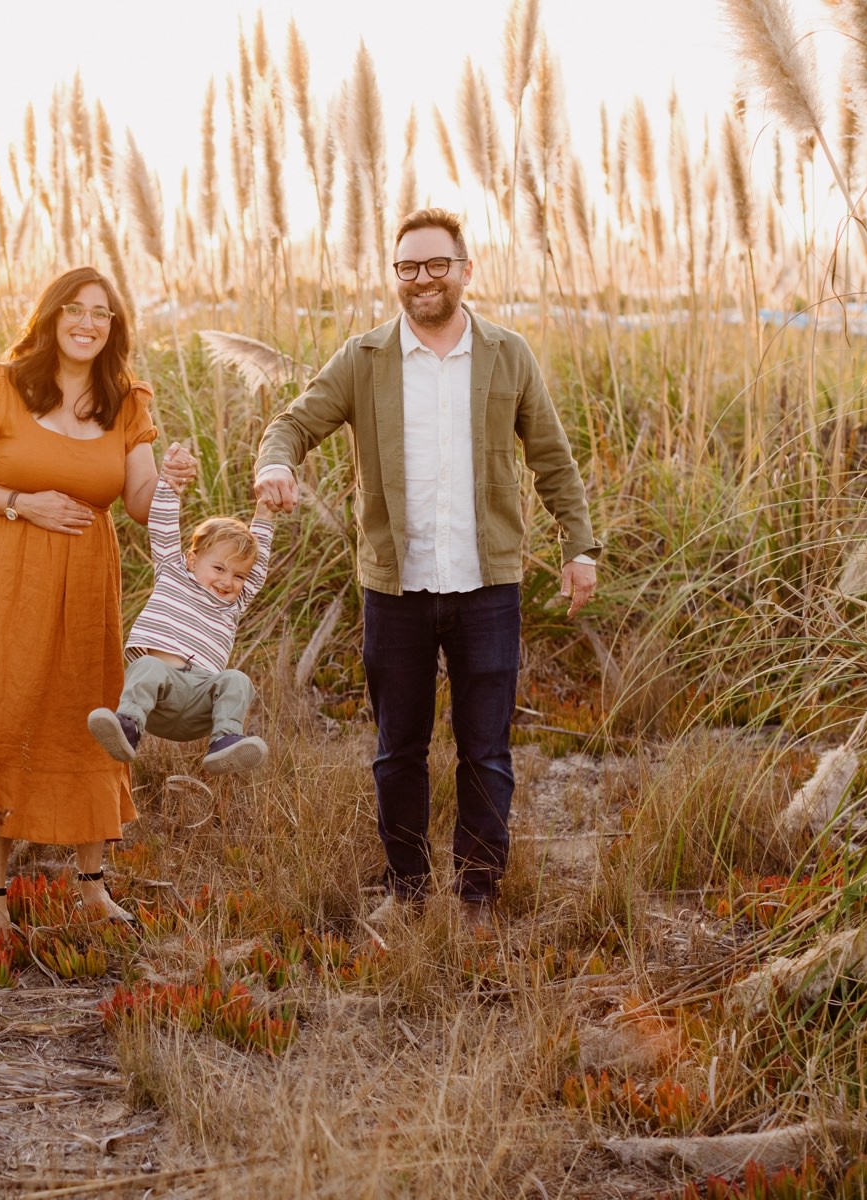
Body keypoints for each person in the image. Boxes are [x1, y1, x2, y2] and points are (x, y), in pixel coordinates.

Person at [252, 208, 599, 934]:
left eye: (436, 265)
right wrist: (277, 462)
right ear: (396, 277)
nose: (422, 280)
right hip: (397, 589)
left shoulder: (508, 354)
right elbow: (294, 422)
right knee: (398, 749)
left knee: (487, 749)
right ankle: (406, 889)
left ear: (466, 270)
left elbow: (553, 458)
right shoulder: (364, 358)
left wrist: (580, 546)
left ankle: (476, 896)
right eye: (407, 267)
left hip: (488, 587)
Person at [0, 266, 198, 952]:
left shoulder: (127, 403)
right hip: (4, 574)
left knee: (87, 716)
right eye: (75, 310)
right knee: (7, 717)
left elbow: (143, 503)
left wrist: (173, 483)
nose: (88, 323)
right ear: (50, 317)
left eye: (102, 313)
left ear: (113, 327)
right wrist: (20, 503)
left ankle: (91, 886)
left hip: (86, 582)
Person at [87, 442, 276, 775]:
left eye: (238, 575)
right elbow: (161, 526)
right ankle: (127, 728)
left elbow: (258, 564)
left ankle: (225, 740)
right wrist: (170, 485)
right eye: (219, 569)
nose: (228, 581)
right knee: (149, 666)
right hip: (156, 698)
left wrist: (266, 511)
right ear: (192, 560)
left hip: (198, 706)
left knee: (237, 680)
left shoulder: (235, 603)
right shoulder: (173, 572)